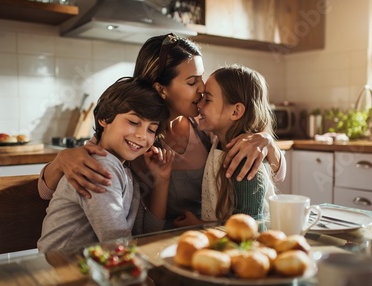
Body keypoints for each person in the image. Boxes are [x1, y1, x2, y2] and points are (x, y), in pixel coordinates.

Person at [38, 33, 286, 229]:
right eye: (192, 82)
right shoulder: (130, 138)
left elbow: (278, 174)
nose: (202, 89)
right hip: (157, 244)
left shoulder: (206, 128)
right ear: (161, 89)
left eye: (201, 78)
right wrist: (61, 161)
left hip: (212, 238)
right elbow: (45, 192)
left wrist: (267, 143)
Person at [37, 77, 173, 252]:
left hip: (87, 269)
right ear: (104, 119)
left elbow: (145, 234)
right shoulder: (101, 165)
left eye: (151, 129)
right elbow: (118, 244)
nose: (142, 135)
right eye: (133, 122)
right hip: (61, 272)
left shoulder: (125, 170)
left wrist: (162, 181)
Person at [189, 65, 277, 225]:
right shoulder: (219, 141)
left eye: (207, 99)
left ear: (235, 112)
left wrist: (197, 225)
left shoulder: (245, 158)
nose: (199, 105)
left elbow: (246, 228)